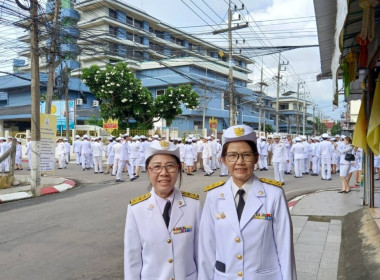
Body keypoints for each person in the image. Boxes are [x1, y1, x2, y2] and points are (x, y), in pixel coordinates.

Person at [198, 124, 296, 279]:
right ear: (223, 160)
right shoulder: (214, 196)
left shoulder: (274, 194)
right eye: (232, 156)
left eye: (246, 155)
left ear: (256, 158)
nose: (240, 162)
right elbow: (206, 249)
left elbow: (285, 249)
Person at [124, 140, 201, 280]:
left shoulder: (193, 205)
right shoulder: (136, 209)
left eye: (170, 166)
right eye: (156, 167)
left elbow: (200, 253)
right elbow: (132, 261)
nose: (163, 173)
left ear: (178, 169)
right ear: (148, 170)